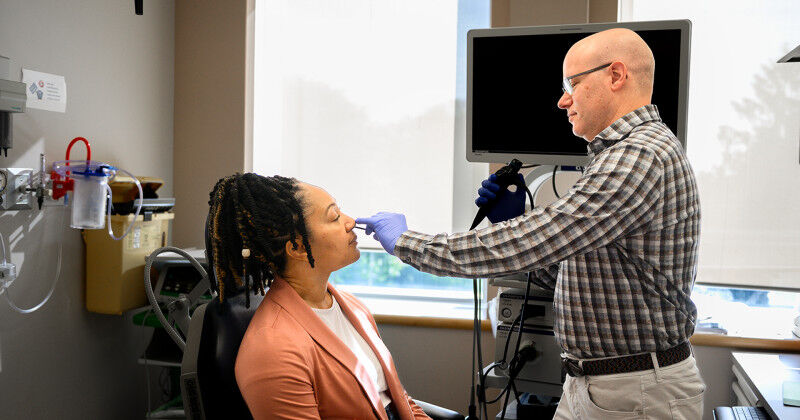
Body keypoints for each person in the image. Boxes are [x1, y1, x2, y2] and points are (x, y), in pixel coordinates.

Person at [357, 28, 705, 419]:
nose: (562, 100)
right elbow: (584, 277)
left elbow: (535, 239)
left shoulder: (638, 156)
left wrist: (408, 242)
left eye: (572, 83)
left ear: (616, 75)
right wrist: (518, 221)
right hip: (597, 385)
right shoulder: (626, 154)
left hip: (634, 393)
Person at [207, 173, 430, 420]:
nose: (350, 222)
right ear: (298, 248)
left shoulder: (352, 307)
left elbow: (400, 401)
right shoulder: (273, 349)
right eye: (334, 217)